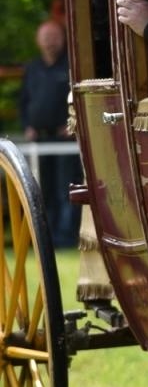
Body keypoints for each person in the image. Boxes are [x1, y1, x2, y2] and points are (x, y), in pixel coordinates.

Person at [18, 19, 79, 249]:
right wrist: (27, 125)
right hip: (39, 140)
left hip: (65, 141)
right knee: (42, 189)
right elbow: (24, 102)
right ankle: (47, 237)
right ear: (38, 41)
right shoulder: (32, 68)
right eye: (46, 38)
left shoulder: (71, 66)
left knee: (66, 188)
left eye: (54, 37)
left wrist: (73, 124)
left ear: (62, 39)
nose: (50, 42)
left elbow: (78, 101)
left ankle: (66, 237)